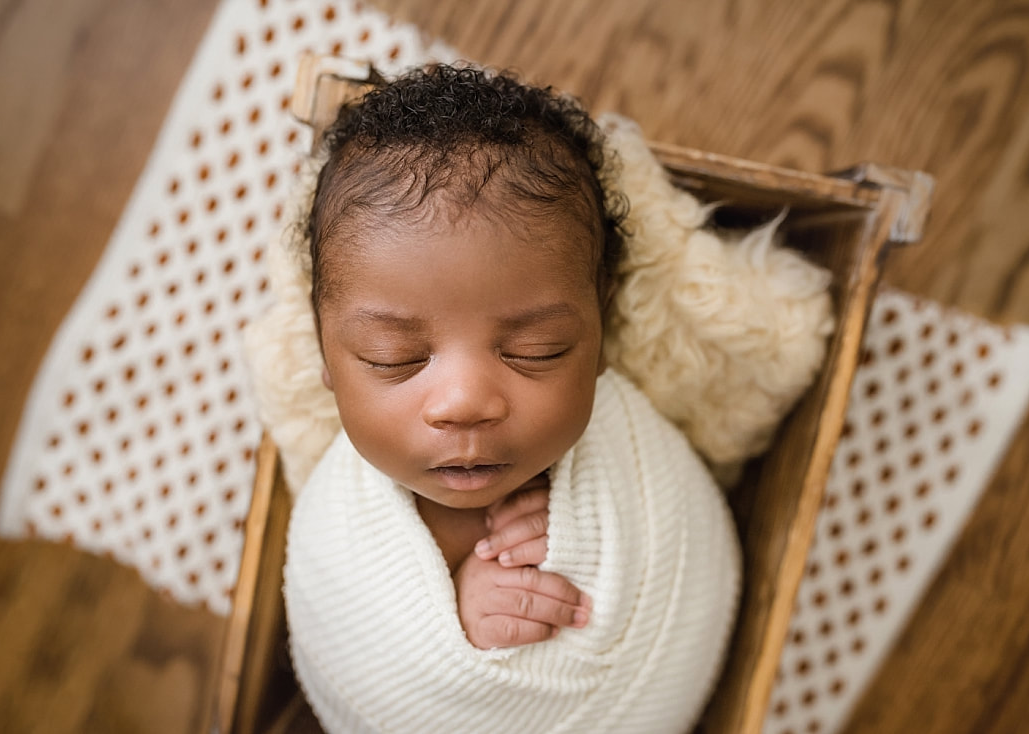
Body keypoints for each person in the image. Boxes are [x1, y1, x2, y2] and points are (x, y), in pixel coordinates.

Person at [284, 64, 740, 734]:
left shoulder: (630, 462)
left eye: (537, 350)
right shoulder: (339, 537)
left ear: (602, 330)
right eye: (395, 358)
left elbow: (683, 549)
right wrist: (462, 621)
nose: (465, 402)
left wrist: (580, 547)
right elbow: (366, 663)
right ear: (326, 355)